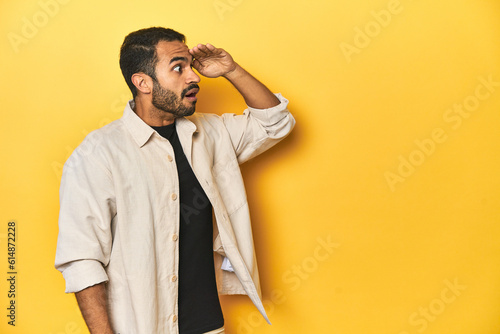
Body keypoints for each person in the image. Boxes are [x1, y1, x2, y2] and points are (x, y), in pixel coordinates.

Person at [55, 27, 295, 334]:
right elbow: (82, 260)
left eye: (191, 67)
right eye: (178, 68)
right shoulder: (98, 154)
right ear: (142, 82)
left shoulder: (212, 134)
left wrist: (231, 70)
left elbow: (276, 123)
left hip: (208, 325)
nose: (193, 77)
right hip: (141, 325)